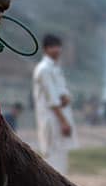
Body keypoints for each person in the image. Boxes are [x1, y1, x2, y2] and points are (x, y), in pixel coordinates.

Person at [32, 33, 78, 174]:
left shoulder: (55, 68)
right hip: (52, 120)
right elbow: (53, 101)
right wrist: (64, 122)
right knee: (53, 158)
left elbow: (63, 96)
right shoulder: (44, 69)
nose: (57, 50)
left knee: (61, 156)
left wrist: (65, 98)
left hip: (59, 117)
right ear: (45, 49)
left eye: (58, 46)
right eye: (53, 47)